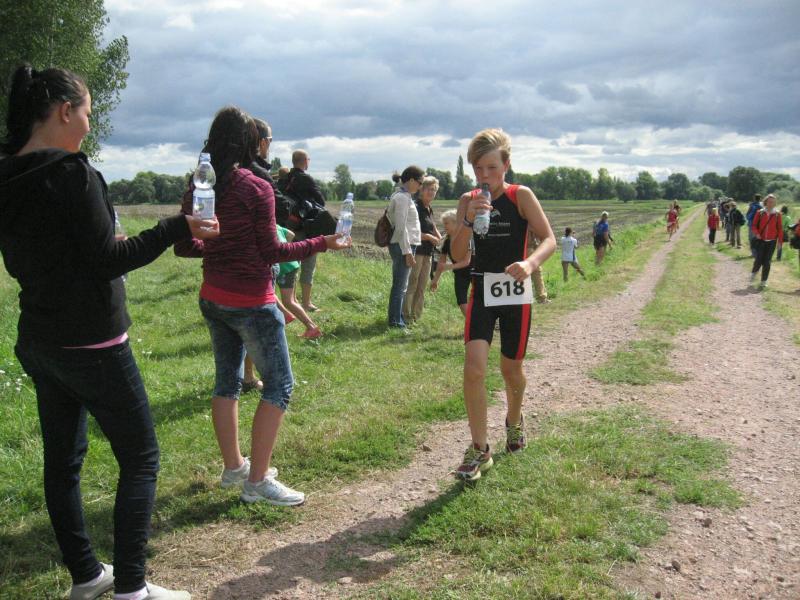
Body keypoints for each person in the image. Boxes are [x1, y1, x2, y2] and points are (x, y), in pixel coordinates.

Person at [0, 65, 219, 600]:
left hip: (41, 340)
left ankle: (86, 576)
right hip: (93, 343)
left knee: (63, 465)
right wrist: (176, 226)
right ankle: (131, 590)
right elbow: (106, 261)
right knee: (141, 459)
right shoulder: (74, 174)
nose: (88, 124)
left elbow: (33, 255)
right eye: (88, 113)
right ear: (64, 111)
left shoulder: (8, 174)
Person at [174, 106, 349, 507]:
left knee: (226, 382)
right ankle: (256, 482)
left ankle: (234, 467)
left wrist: (217, 245)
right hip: (252, 302)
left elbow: (185, 245)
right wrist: (322, 243)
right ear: (252, 143)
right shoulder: (256, 187)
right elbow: (273, 252)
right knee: (280, 386)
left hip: (213, 297)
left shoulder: (199, 185)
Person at [450, 128, 555, 481]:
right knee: (474, 369)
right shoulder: (468, 200)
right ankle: (480, 449)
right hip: (482, 290)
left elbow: (549, 239)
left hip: (514, 291)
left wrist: (530, 263)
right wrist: (468, 219)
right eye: (478, 168)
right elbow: (458, 254)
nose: (484, 175)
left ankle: (514, 420)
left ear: (506, 165)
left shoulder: (520, 195)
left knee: (511, 369)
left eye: (491, 167)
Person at [285, 149, 327, 312]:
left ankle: (292, 300)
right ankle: (307, 303)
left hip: (288, 227)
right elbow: (321, 201)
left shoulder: (285, 178)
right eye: (308, 159)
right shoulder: (306, 179)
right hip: (305, 227)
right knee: (308, 264)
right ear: (304, 161)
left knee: (291, 264)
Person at [386, 165, 424, 328]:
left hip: (403, 245)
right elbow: (401, 228)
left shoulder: (404, 196)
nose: (420, 187)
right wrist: (408, 252)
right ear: (411, 180)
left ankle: (398, 318)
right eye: (420, 183)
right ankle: (395, 321)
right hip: (403, 246)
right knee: (400, 286)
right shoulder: (402, 198)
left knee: (402, 285)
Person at [403, 175, 442, 323]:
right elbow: (410, 232)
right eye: (428, 189)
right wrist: (429, 237)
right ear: (421, 190)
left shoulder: (429, 209)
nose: (431, 192)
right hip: (416, 252)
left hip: (428, 253)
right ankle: (406, 316)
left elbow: (433, 227)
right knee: (412, 283)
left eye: (434, 190)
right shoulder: (416, 207)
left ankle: (416, 316)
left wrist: (438, 236)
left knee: (422, 286)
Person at [431, 209, 472, 316]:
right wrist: (435, 280)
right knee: (461, 301)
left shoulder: (468, 238)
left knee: (479, 300)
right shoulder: (446, 241)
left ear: (456, 223)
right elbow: (441, 263)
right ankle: (472, 323)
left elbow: (467, 262)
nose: (444, 226)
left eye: (446, 223)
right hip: (460, 274)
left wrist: (449, 266)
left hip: (474, 271)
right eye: (444, 223)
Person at [749, 194, 783, 289]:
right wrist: (757, 234)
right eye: (769, 201)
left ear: (775, 203)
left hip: (772, 241)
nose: (771, 203)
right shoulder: (760, 212)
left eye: (773, 202)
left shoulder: (777, 214)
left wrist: (780, 242)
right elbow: (754, 225)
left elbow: (780, 229)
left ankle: (763, 281)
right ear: (766, 202)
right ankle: (753, 274)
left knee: (767, 261)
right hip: (761, 240)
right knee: (758, 260)